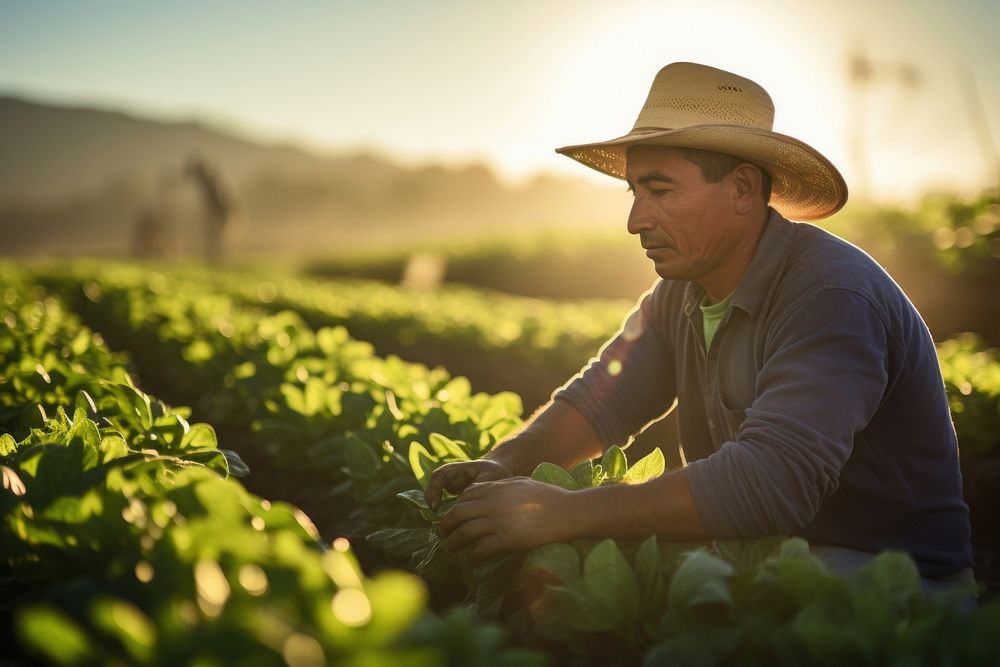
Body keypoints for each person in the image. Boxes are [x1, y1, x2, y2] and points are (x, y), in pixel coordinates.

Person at [424, 62, 974, 596]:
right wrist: (503, 463)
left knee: (691, 597)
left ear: (741, 189)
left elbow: (770, 482)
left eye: (659, 191)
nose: (636, 220)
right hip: (764, 551)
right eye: (634, 193)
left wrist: (562, 511)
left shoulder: (829, 298)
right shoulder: (681, 294)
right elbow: (600, 402)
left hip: (890, 574)